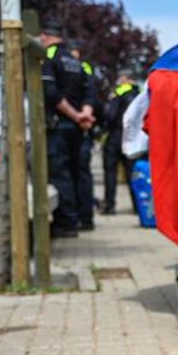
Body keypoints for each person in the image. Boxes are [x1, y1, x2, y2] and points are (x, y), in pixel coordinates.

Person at [39, 20, 94, 238]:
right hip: (78, 127)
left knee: (60, 174)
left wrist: (74, 114)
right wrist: (84, 115)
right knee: (77, 173)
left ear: (45, 35)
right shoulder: (75, 60)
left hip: (60, 125)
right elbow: (89, 92)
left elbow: (51, 93)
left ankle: (66, 222)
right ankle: (84, 218)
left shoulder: (49, 56)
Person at [68, 40, 104, 230]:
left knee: (79, 173)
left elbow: (92, 97)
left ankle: (83, 217)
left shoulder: (82, 69)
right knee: (81, 173)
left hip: (80, 126)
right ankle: (84, 216)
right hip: (84, 124)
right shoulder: (84, 69)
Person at [100, 69, 141, 215]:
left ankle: (109, 205)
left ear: (126, 79)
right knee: (132, 173)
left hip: (116, 135)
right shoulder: (140, 93)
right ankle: (138, 206)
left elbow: (110, 115)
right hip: (133, 138)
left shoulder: (120, 91)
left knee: (110, 172)